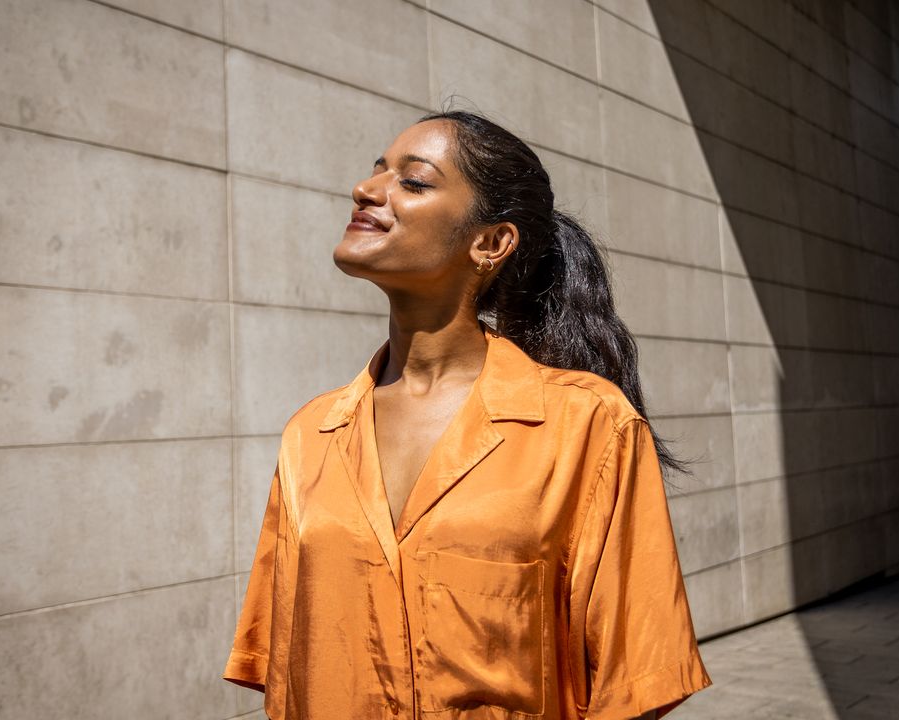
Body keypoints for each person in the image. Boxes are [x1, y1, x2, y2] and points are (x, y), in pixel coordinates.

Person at [222, 108, 712, 719]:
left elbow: (637, 682)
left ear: (490, 243)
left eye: (414, 181)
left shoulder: (587, 425)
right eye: (377, 170)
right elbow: (288, 673)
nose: (366, 189)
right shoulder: (311, 435)